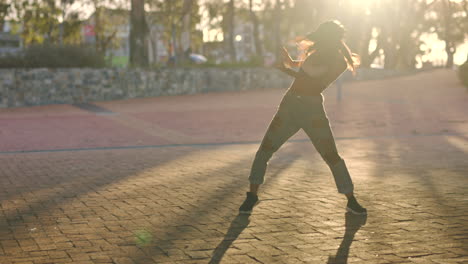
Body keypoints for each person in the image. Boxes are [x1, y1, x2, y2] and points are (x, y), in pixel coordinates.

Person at [239, 20, 367, 215]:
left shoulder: (339, 62)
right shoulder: (317, 54)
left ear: (329, 40)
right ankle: (252, 195)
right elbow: (303, 67)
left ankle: (351, 199)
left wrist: (284, 68)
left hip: (312, 110)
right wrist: (289, 61)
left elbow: (312, 76)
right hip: (289, 106)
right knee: (265, 150)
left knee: (331, 155)